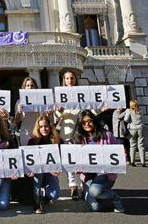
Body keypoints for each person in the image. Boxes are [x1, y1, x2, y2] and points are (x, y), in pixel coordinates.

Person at [53, 69, 102, 200]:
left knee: (81, 161)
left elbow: (91, 111)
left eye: (72, 78)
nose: (70, 80)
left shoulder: (82, 93)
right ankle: (72, 186)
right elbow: (55, 117)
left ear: (75, 80)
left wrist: (99, 108)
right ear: (64, 80)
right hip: (67, 133)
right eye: (67, 78)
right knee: (70, 162)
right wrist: (59, 111)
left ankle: (83, 185)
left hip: (81, 132)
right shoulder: (59, 95)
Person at [72, 110, 124, 213]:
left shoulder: (107, 135)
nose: (87, 124)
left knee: (94, 191)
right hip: (88, 177)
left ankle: (115, 197)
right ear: (80, 124)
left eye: (90, 121)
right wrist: (76, 168)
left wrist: (122, 156)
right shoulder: (78, 140)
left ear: (94, 121)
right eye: (84, 122)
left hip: (104, 176)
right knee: (95, 207)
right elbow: (74, 160)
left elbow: (121, 151)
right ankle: (92, 193)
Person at [27, 116, 61, 214]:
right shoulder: (32, 141)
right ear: (37, 128)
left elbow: (63, 159)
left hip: (50, 174)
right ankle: (36, 199)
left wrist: (57, 169)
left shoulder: (57, 140)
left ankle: (44, 194)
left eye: (46, 126)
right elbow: (29, 162)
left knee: (54, 195)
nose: (44, 129)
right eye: (41, 127)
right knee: (39, 170)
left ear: (50, 127)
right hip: (36, 174)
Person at [15, 77, 44, 146]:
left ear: (35, 87)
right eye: (27, 86)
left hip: (40, 132)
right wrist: (19, 111)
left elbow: (45, 116)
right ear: (24, 88)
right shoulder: (19, 101)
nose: (30, 87)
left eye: (32, 85)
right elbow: (17, 120)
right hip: (26, 133)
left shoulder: (42, 100)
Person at [124, 100, 146, 167]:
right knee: (141, 145)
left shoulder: (129, 111)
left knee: (132, 145)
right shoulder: (140, 111)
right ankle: (143, 162)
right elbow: (143, 119)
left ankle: (132, 161)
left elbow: (126, 119)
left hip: (132, 129)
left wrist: (127, 112)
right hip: (140, 129)